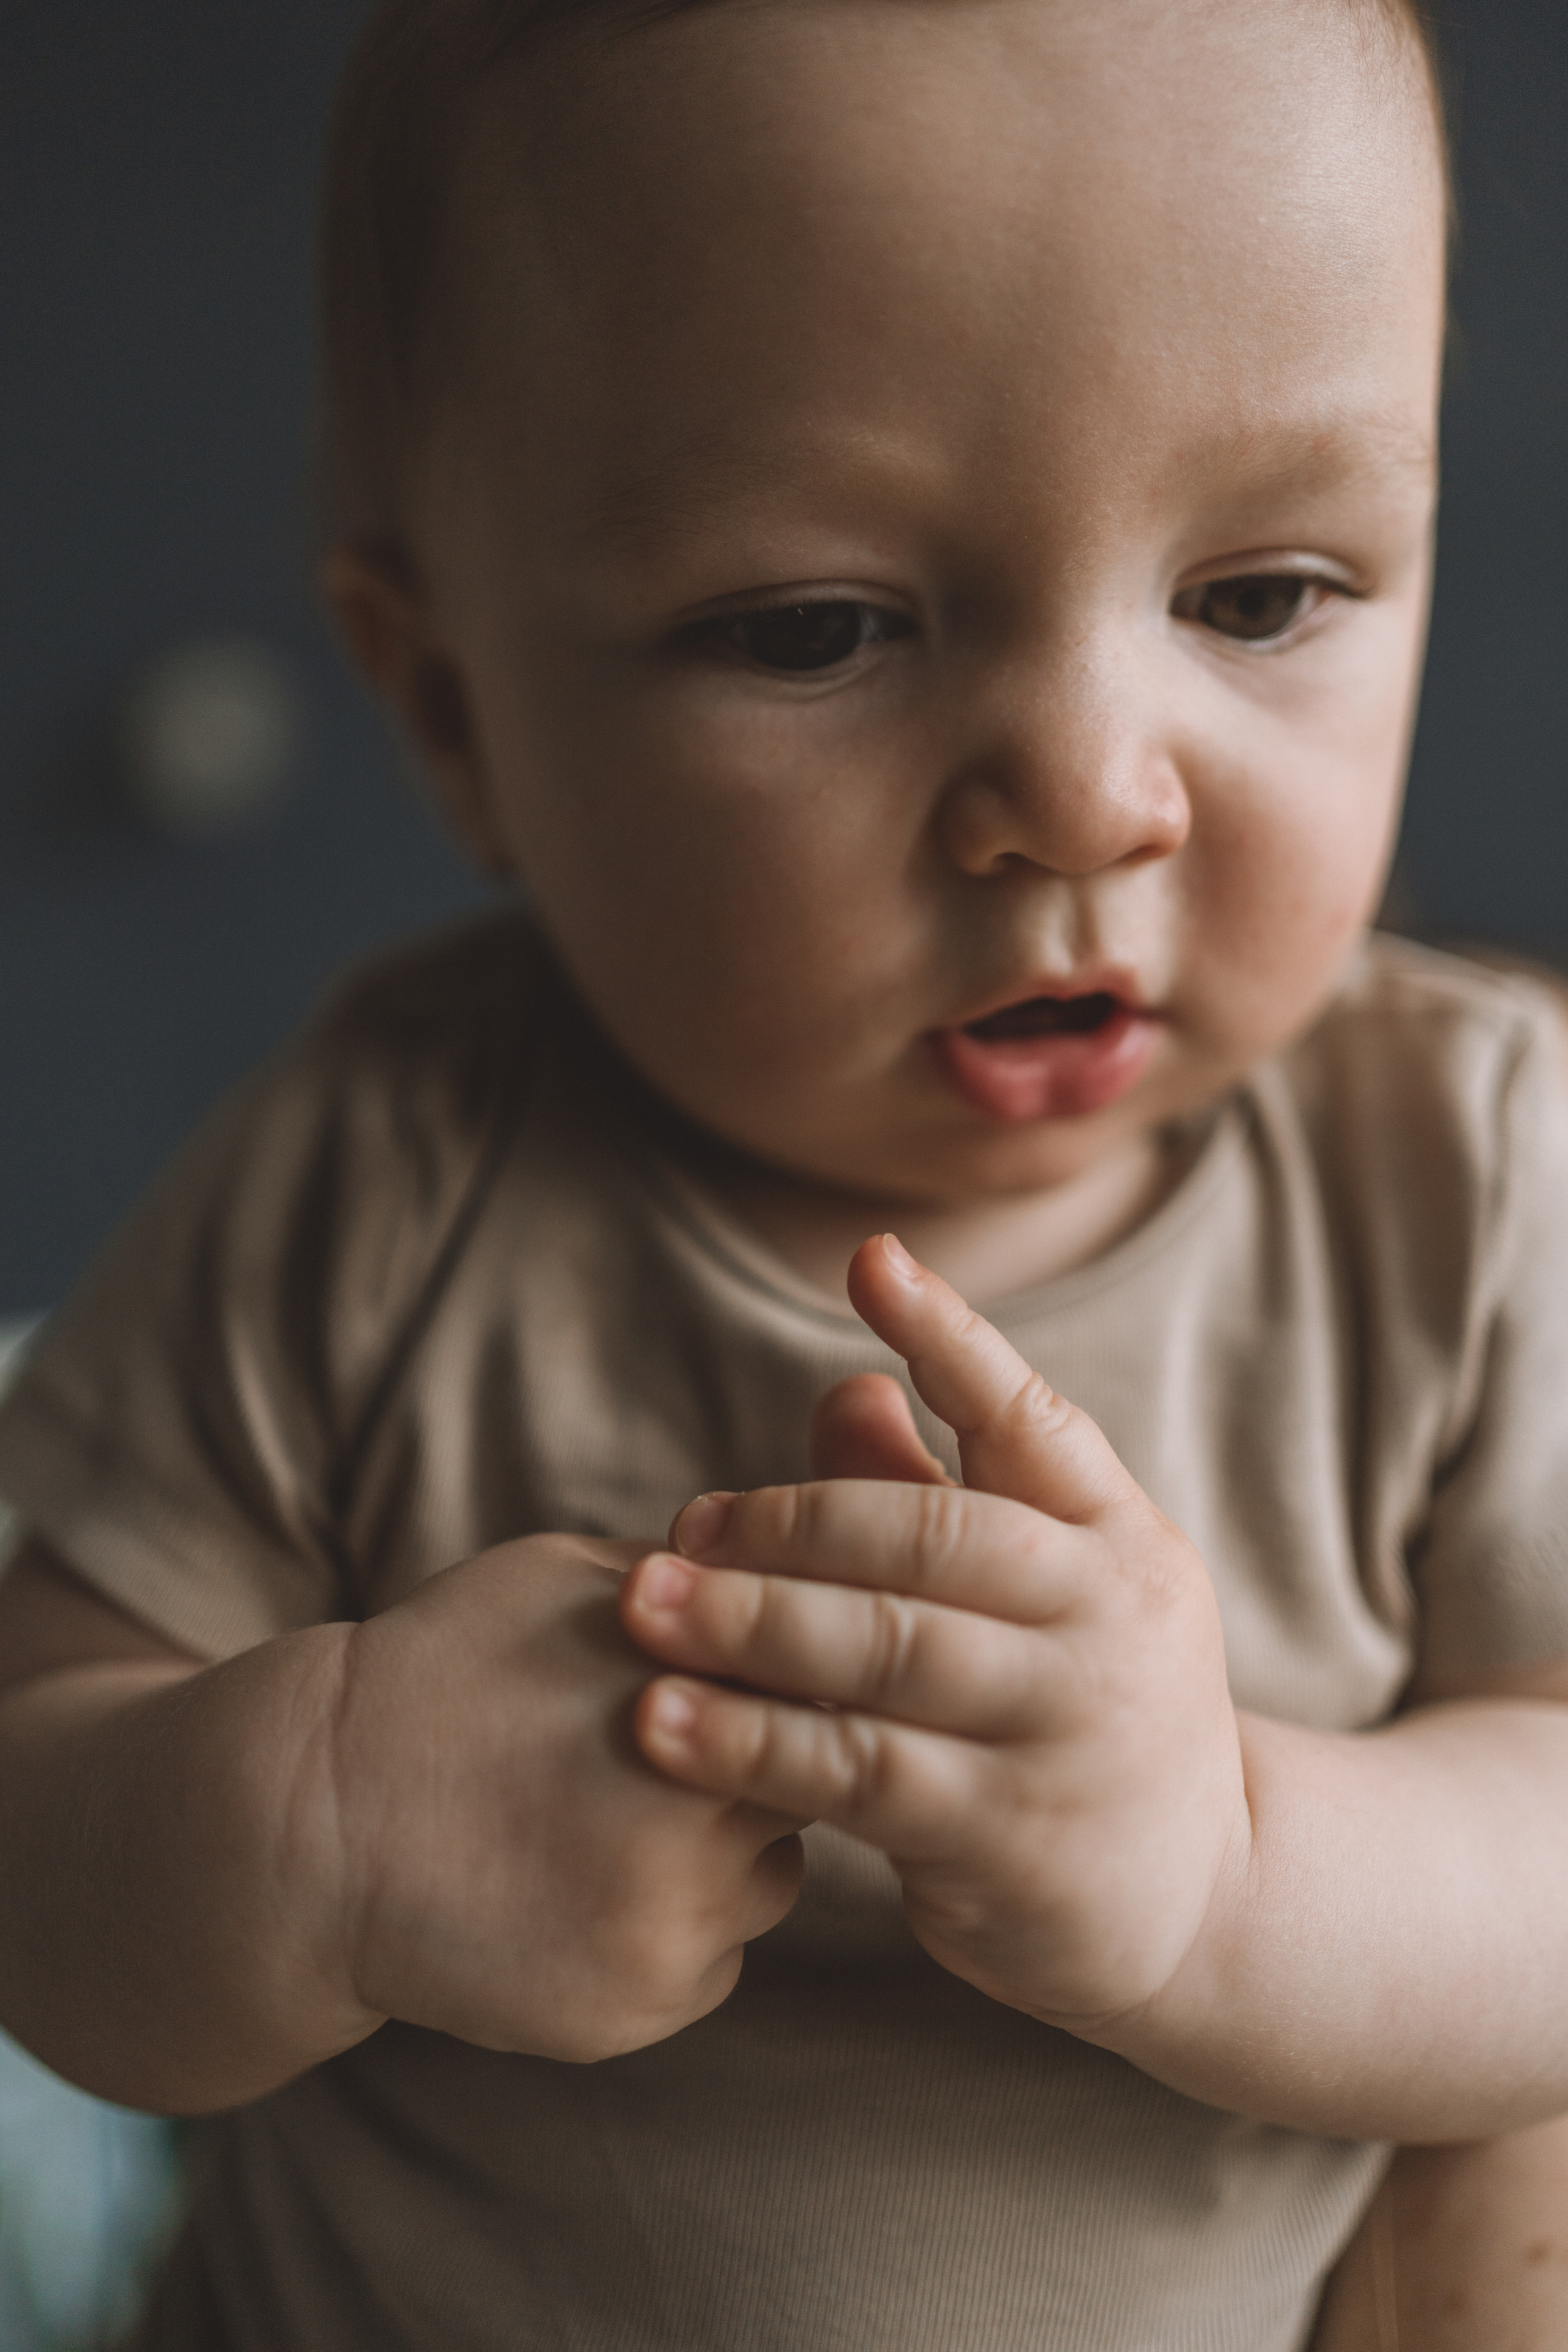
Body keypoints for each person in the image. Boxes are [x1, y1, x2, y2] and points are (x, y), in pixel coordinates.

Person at [1, 0, 1567, 2343]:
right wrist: (312, 1826)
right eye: (821, 627)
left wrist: (1227, 1874)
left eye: (1262, 595)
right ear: (454, 713)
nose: (1087, 792)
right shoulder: (379, 1169)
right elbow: (36, 1835)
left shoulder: (1471, 1177)